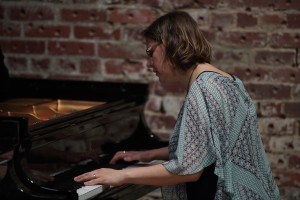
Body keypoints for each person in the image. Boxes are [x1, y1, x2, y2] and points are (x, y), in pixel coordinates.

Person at [74, 11, 280, 200]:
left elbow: (188, 169)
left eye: (150, 51)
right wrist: (147, 155)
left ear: (169, 44)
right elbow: (207, 147)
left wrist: (122, 175)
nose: (149, 63)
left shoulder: (203, 89)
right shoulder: (227, 81)